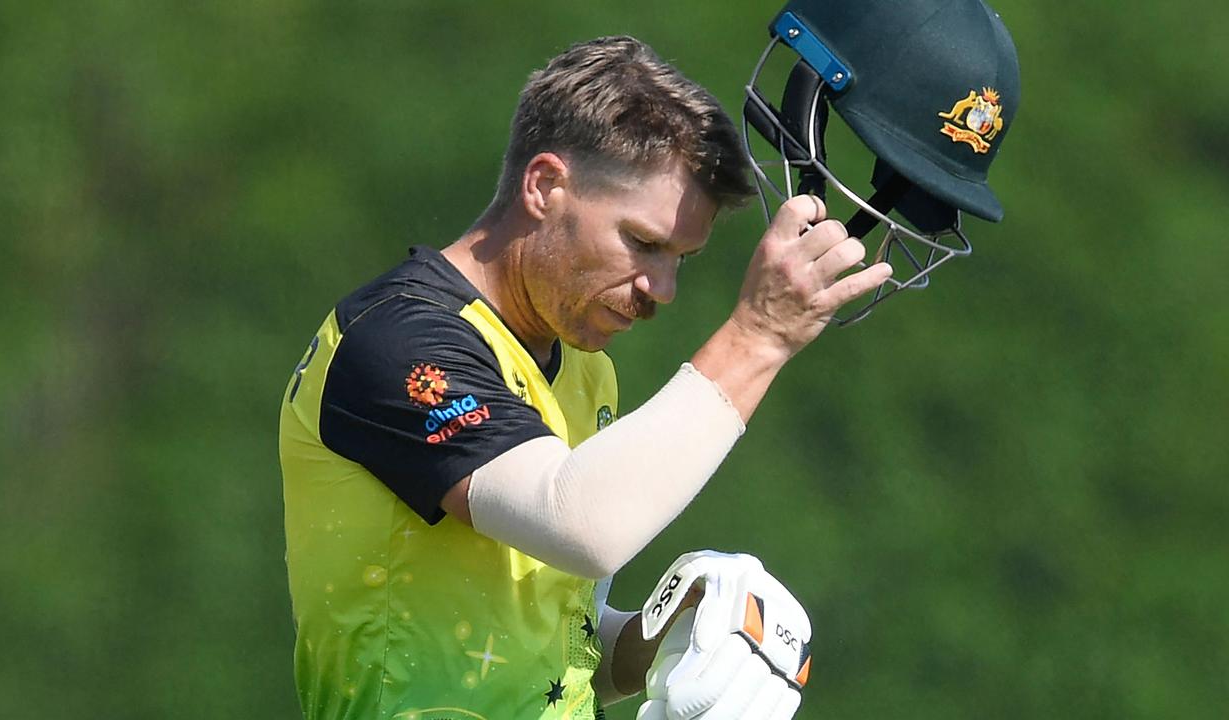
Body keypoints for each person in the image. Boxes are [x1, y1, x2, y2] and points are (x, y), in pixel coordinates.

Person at [280, 1, 1018, 716]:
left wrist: (668, 644)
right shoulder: (396, 340)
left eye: (682, 260)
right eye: (643, 243)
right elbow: (578, 522)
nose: (659, 289)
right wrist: (758, 335)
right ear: (544, 186)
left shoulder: (580, 362)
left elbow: (549, 653)